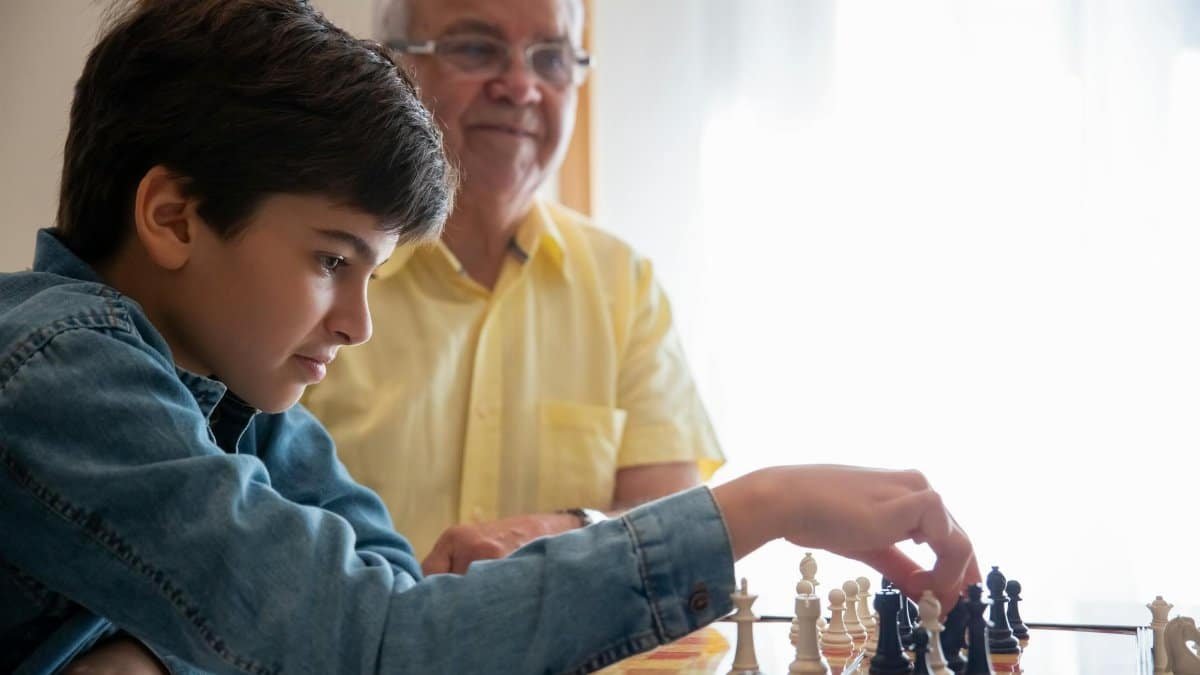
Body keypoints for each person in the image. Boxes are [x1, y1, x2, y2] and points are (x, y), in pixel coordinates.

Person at [0, 1, 978, 672]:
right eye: (331, 261)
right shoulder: (64, 373)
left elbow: (384, 595)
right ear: (172, 218)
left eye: (371, 272)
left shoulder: (233, 389)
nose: (357, 321)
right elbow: (380, 642)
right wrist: (766, 505)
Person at [302, 0, 725, 572]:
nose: (521, 87)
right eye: (477, 48)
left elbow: (675, 522)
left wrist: (565, 530)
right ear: (396, 70)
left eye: (550, 58)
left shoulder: (624, 284)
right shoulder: (314, 267)